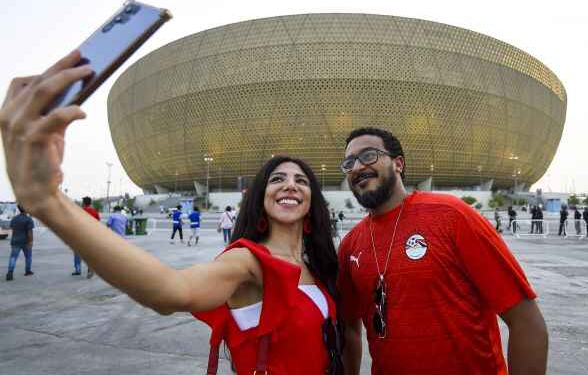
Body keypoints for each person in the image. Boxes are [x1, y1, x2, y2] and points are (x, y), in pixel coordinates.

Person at [1, 53, 343, 374]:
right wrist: (49, 202)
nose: (290, 185)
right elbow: (171, 290)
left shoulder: (315, 264)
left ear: (312, 199)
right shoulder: (249, 262)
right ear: (260, 198)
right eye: (277, 179)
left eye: (301, 180)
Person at [337, 127, 548, 374]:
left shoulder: (452, 216)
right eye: (349, 163)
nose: (357, 167)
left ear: (398, 164)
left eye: (369, 155)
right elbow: (349, 329)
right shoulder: (350, 245)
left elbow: (526, 322)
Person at [5, 205, 34, 281]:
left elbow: (11, 227)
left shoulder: (14, 218)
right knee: (28, 257)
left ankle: (10, 272)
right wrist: (31, 241)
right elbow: (30, 232)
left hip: (15, 240)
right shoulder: (28, 219)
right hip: (25, 241)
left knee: (13, 257)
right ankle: (27, 271)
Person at [75, 196, 100, 278]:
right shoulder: (94, 211)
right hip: (92, 234)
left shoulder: (81, 211)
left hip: (81, 234)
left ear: (84, 203)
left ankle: (78, 269)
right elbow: (97, 222)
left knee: (78, 252)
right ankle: (90, 269)